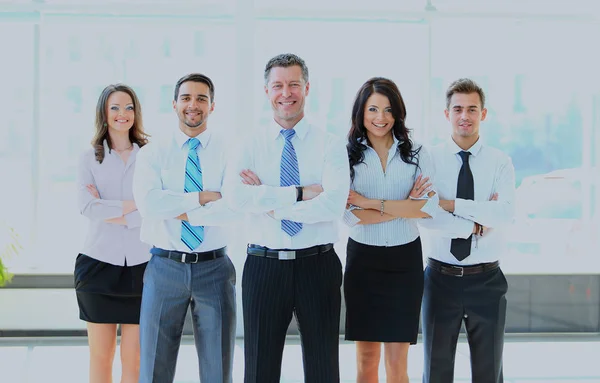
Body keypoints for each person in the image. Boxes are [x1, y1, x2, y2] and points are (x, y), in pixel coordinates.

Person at [222, 53, 350, 383]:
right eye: (278, 85)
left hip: (318, 265)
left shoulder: (330, 144)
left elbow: (332, 206)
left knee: (324, 368)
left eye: (294, 84)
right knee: (259, 370)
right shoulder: (248, 144)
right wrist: (299, 192)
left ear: (307, 88)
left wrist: (266, 199)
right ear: (266, 91)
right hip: (264, 266)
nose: (286, 93)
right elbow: (236, 198)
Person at [132, 73, 238, 383]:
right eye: (187, 98)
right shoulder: (153, 152)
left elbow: (232, 208)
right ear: (175, 104)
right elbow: (149, 206)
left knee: (218, 368)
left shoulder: (229, 150)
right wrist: (203, 199)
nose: (194, 105)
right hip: (165, 267)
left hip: (215, 268)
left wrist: (176, 206)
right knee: (154, 368)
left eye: (202, 99)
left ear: (212, 106)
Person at [342, 77, 441, 383]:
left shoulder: (417, 153)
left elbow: (426, 209)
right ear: (361, 113)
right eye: (372, 109)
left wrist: (370, 202)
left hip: (404, 262)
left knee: (398, 362)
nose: (380, 118)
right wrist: (403, 206)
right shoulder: (345, 155)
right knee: (367, 360)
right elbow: (351, 217)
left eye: (387, 110)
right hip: (363, 262)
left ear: (398, 113)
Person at [418, 78, 516, 383]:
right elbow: (425, 215)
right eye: (458, 108)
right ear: (446, 113)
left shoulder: (500, 162)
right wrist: (475, 223)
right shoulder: (428, 158)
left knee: (489, 372)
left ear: (483, 114)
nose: (465, 116)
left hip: (487, 280)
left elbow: (503, 213)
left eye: (472, 109)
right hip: (439, 280)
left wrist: (450, 203)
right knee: (436, 371)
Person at [75, 83, 150, 383]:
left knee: (134, 360)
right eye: (115, 108)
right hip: (97, 266)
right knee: (101, 357)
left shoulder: (149, 155)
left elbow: (155, 209)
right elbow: (87, 207)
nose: (123, 114)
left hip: (143, 267)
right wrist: (134, 207)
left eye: (129, 107)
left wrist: (111, 209)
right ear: (104, 113)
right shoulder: (89, 157)